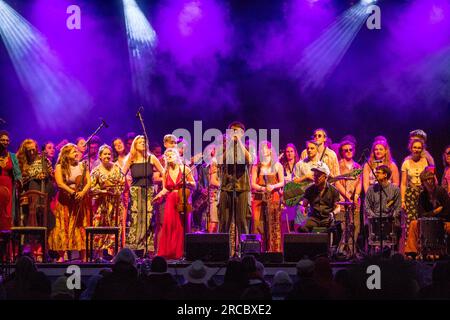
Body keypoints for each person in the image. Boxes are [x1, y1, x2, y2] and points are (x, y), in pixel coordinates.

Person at [48, 143, 91, 262]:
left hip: (79, 200)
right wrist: (72, 193)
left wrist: (82, 193)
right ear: (66, 155)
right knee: (64, 226)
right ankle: (61, 255)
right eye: (74, 151)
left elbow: (89, 182)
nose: (77, 153)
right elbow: (60, 183)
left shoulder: (82, 165)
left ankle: (83, 255)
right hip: (65, 201)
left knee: (80, 226)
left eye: (77, 151)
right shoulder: (59, 166)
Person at [122, 135, 164, 255]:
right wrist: (125, 187)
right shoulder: (131, 158)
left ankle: (148, 250)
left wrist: (163, 189)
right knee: (135, 220)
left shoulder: (151, 158)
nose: (142, 143)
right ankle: (134, 249)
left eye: (144, 141)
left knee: (149, 220)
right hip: (135, 192)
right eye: (139, 142)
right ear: (135, 145)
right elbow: (121, 174)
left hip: (149, 192)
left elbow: (164, 172)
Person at [153, 148, 195, 260]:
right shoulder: (165, 172)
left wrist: (187, 182)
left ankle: (182, 252)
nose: (169, 157)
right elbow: (165, 189)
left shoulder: (184, 169)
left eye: (172, 155)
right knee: (170, 225)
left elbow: (194, 184)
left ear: (177, 156)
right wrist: (159, 195)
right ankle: (170, 252)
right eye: (167, 156)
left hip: (182, 198)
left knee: (182, 225)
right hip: (171, 200)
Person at [217, 122, 253, 244]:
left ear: (243, 133)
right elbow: (220, 162)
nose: (234, 133)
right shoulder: (223, 146)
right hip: (225, 188)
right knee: (224, 222)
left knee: (242, 221)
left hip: (242, 188)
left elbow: (250, 160)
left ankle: (245, 253)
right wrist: (230, 145)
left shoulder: (247, 147)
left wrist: (239, 143)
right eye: (232, 131)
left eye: (237, 131)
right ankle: (222, 253)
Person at [404, 168, 450, 258]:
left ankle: (443, 252)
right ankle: (411, 253)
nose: (430, 182)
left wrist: (435, 216)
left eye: (431, 179)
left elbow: (447, 211)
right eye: (427, 180)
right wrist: (434, 212)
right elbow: (420, 214)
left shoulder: (441, 192)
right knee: (413, 224)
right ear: (423, 183)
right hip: (427, 223)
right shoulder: (422, 195)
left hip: (442, 222)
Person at [90, 145, 125, 260]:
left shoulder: (116, 167)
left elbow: (122, 183)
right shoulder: (96, 171)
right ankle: (98, 255)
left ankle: (114, 256)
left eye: (109, 154)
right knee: (99, 227)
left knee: (115, 228)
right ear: (100, 156)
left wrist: (115, 192)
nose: (107, 156)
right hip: (101, 204)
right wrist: (103, 191)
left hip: (115, 203)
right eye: (105, 154)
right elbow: (91, 188)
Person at [251, 141, 284, 252]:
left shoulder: (277, 165)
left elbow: (282, 182)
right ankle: (259, 250)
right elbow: (252, 183)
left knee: (273, 223)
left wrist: (273, 186)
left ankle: (274, 250)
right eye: (261, 149)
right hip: (259, 198)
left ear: (270, 150)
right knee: (258, 223)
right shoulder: (257, 166)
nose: (263, 150)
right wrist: (262, 188)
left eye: (265, 148)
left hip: (273, 197)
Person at [400, 139, 431, 251]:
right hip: (411, 194)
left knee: (422, 219)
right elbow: (403, 184)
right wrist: (402, 200)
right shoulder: (406, 163)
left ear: (422, 149)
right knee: (411, 221)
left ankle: (423, 247)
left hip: (423, 193)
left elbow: (429, 178)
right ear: (411, 148)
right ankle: (410, 249)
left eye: (419, 147)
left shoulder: (425, 161)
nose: (417, 149)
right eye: (415, 147)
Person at [364, 165, 401, 251]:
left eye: (378, 173)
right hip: (375, 219)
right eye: (375, 172)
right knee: (366, 226)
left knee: (397, 226)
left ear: (385, 175)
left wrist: (391, 217)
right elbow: (367, 206)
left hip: (390, 219)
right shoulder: (371, 189)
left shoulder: (395, 189)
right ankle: (371, 252)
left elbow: (398, 207)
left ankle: (394, 252)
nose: (375, 174)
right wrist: (374, 217)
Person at [335, 140, 362, 255]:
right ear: (341, 152)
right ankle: (342, 251)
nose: (348, 152)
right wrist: (347, 196)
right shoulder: (338, 165)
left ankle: (351, 251)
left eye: (350, 149)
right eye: (345, 150)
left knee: (355, 226)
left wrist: (356, 195)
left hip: (355, 200)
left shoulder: (357, 166)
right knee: (344, 227)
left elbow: (360, 182)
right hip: (342, 201)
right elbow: (337, 183)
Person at [298, 162, 340, 233]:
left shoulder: (333, 190)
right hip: (314, 218)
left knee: (336, 229)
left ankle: (330, 244)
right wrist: (303, 209)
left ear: (325, 177)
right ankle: (310, 242)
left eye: (319, 176)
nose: (316, 178)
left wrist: (333, 213)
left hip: (327, 218)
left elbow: (338, 207)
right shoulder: (309, 190)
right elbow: (304, 205)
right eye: (315, 175)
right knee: (302, 227)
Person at [112, 137, 130, 247]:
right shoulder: (113, 162)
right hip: (121, 193)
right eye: (115, 144)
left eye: (120, 142)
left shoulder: (131, 157)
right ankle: (120, 246)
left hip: (132, 190)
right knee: (121, 220)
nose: (118, 145)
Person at [280, 143, 300, 234]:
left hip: (296, 196)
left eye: (291, 151)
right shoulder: (282, 165)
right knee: (286, 222)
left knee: (296, 221)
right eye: (287, 152)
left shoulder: (299, 164)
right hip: (285, 195)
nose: (289, 153)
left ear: (295, 153)